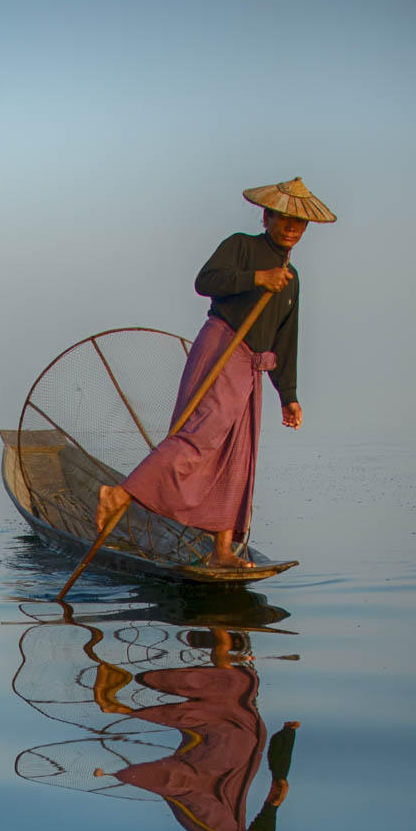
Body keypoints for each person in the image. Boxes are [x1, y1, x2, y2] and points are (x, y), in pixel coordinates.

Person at [96, 177, 335, 568]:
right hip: (223, 349)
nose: (291, 227)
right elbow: (205, 282)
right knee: (200, 438)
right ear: (267, 216)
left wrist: (288, 395)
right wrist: (257, 279)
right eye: (284, 218)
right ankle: (119, 495)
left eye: (299, 223)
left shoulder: (291, 278)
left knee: (238, 456)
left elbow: (285, 339)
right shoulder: (242, 246)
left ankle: (221, 551)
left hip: (253, 366)